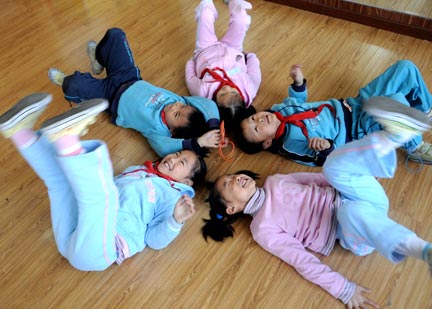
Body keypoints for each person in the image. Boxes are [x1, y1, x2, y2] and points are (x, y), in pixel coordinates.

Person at [202, 97, 432, 307]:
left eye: (234, 175)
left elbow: (320, 179)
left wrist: (356, 175)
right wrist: (344, 289)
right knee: (349, 212)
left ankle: (395, 136)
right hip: (357, 233)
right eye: (229, 184)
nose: (237, 178)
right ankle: (426, 251)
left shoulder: (275, 181)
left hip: (360, 196)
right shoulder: (262, 228)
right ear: (231, 208)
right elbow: (301, 260)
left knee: (330, 166)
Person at [0, 93, 207, 271]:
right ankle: (21, 132)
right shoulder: (140, 170)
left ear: (187, 182)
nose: (173, 158)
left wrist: (175, 221)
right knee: (61, 184)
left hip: (103, 248)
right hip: (77, 229)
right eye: (177, 154)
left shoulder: (173, 199)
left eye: (181, 162)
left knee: (103, 197)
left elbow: (154, 240)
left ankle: (66, 139)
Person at [234, 60, 432, 166]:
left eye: (253, 118)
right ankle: (415, 146)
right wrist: (324, 147)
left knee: (405, 68)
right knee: (395, 102)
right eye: (256, 128)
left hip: (352, 104)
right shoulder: (290, 143)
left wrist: (298, 82)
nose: (259, 120)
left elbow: (298, 101)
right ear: (266, 143)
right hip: (357, 128)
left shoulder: (279, 110)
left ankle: (425, 109)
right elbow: (320, 160)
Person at [48, 27, 222, 158]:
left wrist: (198, 143)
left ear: (172, 132)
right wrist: (213, 128)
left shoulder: (158, 132)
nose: (175, 106)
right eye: (181, 105)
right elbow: (209, 105)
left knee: (72, 84)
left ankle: (70, 86)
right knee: (115, 35)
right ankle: (98, 61)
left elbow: (165, 149)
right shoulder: (179, 100)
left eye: (176, 114)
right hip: (128, 76)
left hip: (109, 98)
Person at [185, 0, 261, 127]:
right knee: (241, 21)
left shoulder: (202, 92)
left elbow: (190, 78)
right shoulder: (249, 89)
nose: (227, 88)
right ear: (241, 97)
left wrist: (191, 62)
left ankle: (208, 7)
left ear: (215, 102)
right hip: (233, 48)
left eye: (223, 94)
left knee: (204, 14)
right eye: (234, 91)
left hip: (205, 49)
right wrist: (251, 56)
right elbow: (255, 73)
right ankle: (233, 3)